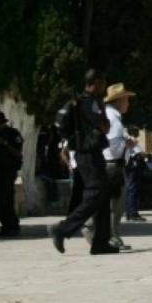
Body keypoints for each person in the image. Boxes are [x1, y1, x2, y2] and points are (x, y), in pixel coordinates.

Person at [48, 69, 118, 255]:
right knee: (96, 194)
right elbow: (104, 126)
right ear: (95, 82)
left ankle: (101, 242)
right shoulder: (89, 102)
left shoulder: (81, 102)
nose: (104, 87)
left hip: (87, 153)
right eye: (103, 83)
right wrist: (102, 111)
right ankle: (62, 229)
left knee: (103, 196)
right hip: (88, 153)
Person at [102, 83, 136, 250]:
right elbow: (113, 144)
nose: (128, 104)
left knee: (110, 203)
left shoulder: (108, 115)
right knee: (117, 205)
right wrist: (127, 144)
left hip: (107, 164)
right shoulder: (114, 119)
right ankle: (112, 237)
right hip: (113, 164)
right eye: (126, 100)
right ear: (118, 101)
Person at [124, 127, 146, 222]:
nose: (138, 132)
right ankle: (133, 213)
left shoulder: (127, 140)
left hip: (129, 166)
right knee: (133, 189)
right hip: (133, 166)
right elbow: (139, 153)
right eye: (136, 130)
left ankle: (129, 212)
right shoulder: (132, 140)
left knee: (130, 189)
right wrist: (144, 155)